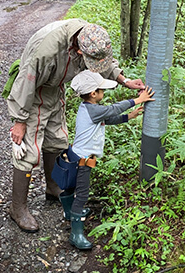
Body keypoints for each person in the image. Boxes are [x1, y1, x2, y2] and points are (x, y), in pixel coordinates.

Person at [6, 18, 145, 233]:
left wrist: (123, 80)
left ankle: (53, 187)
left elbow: (103, 62)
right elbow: (26, 82)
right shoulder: (46, 52)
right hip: (34, 91)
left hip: (55, 88)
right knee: (28, 149)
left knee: (57, 139)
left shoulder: (91, 36)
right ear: (79, 52)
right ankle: (18, 208)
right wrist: (20, 120)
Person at [58, 70, 155, 250]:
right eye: (102, 90)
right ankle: (76, 234)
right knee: (83, 194)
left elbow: (108, 119)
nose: (104, 93)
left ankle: (69, 212)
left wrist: (129, 116)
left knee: (71, 186)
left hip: (76, 155)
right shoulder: (94, 110)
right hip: (83, 160)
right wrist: (136, 100)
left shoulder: (88, 109)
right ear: (94, 93)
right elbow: (112, 110)